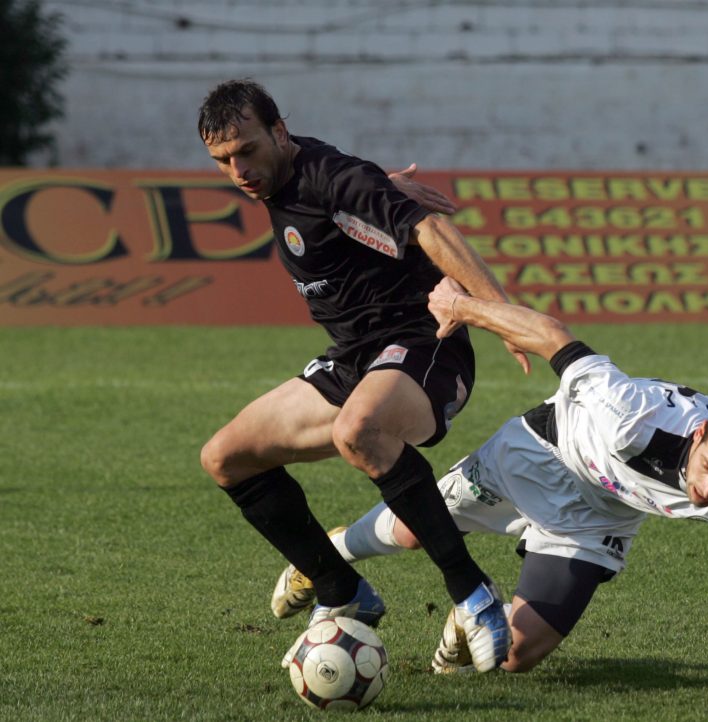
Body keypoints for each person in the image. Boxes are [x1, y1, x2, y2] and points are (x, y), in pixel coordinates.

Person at [271, 276, 708, 691]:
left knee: (516, 657)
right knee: (409, 531)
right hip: (536, 457)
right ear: (698, 437)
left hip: (600, 518)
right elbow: (554, 337)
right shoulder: (629, 414)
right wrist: (463, 307)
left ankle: (465, 623)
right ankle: (328, 556)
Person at [196, 79, 528, 673]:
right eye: (223, 159)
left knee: (359, 431)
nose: (238, 169)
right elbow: (352, 197)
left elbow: (430, 229)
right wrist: (382, 184)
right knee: (226, 457)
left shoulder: (327, 173)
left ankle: (472, 593)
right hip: (354, 355)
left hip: (426, 343)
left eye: (246, 150)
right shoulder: (289, 179)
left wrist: (502, 315)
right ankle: (341, 591)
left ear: (279, 132)